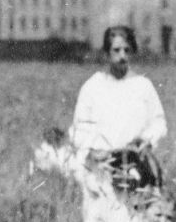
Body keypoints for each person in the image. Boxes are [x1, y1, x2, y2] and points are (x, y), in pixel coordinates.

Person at [71, 24, 166, 160]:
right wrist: (92, 151)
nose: (122, 56)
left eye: (127, 50)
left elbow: (158, 123)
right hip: (100, 167)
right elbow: (80, 127)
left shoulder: (143, 86)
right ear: (106, 53)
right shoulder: (92, 87)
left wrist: (147, 141)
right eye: (116, 50)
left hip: (135, 163)